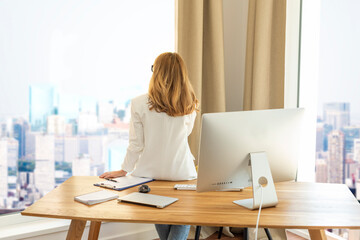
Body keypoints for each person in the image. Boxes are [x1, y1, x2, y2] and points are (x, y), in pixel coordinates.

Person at [100, 52, 199, 240]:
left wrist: (124, 170)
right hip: (182, 172)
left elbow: (136, 143)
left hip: (149, 173)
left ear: (157, 73)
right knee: (182, 217)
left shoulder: (138, 103)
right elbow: (185, 135)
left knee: (159, 213)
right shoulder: (190, 103)